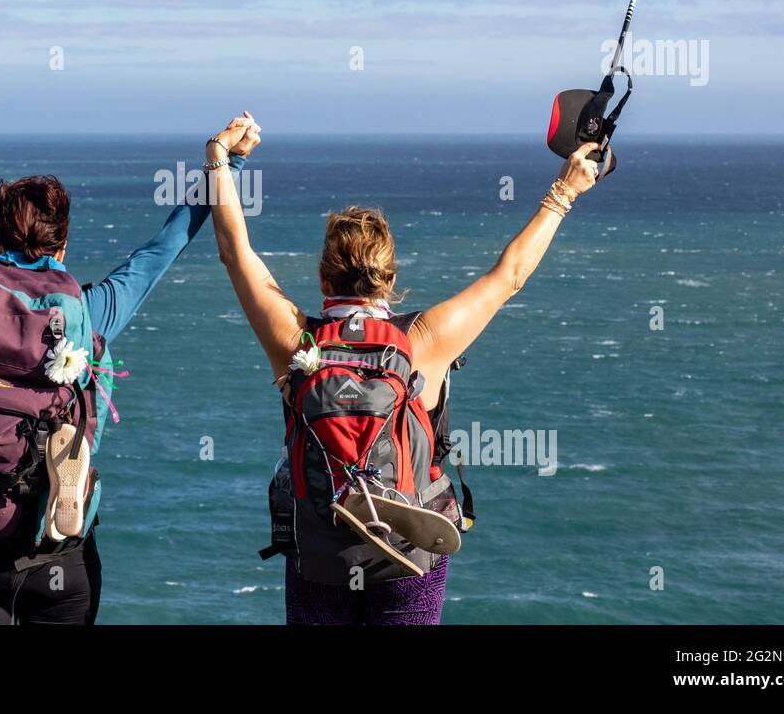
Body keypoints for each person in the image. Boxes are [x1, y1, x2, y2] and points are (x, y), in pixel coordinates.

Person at [0, 115, 259, 625]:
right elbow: (163, 248)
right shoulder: (89, 313)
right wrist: (228, 159)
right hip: (57, 562)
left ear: (0, 237)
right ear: (62, 244)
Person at [203, 112, 603, 625]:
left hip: (321, 555)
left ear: (324, 277)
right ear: (391, 278)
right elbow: (510, 276)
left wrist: (219, 154)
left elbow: (235, 252)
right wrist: (563, 192)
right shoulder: (424, 342)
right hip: (411, 553)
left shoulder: (296, 341)